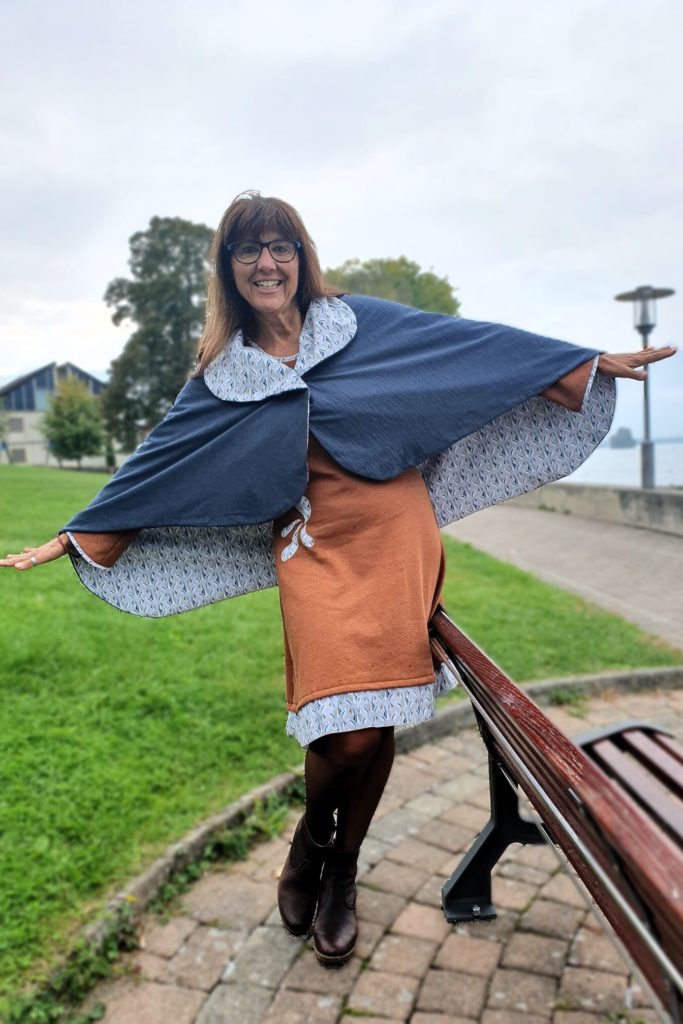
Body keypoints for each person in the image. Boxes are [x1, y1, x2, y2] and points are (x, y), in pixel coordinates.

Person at [1, 192, 675, 969]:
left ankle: (338, 871)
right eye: (249, 250)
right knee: (340, 726)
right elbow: (163, 459)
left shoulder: (360, 324)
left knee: (377, 716)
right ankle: (310, 842)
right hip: (310, 547)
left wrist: (576, 365)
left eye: (280, 246)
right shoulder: (223, 375)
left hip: (395, 535)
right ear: (229, 268)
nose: (267, 263)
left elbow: (467, 351)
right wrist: (79, 535)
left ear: (300, 256)